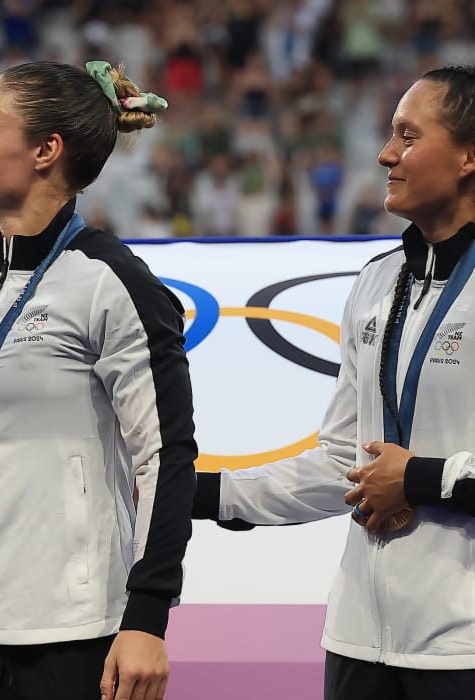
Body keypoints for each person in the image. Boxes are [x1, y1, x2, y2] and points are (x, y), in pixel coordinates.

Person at [0, 60, 197, 700]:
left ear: (46, 150)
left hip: (69, 630)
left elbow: (166, 455)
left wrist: (148, 617)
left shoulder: (114, 284)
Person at [192, 65, 475, 699]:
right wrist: (203, 494)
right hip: (357, 644)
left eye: (407, 135)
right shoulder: (375, 283)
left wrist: (422, 478)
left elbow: (400, 474)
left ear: (468, 158)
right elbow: (346, 462)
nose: (385, 154)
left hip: (462, 651)